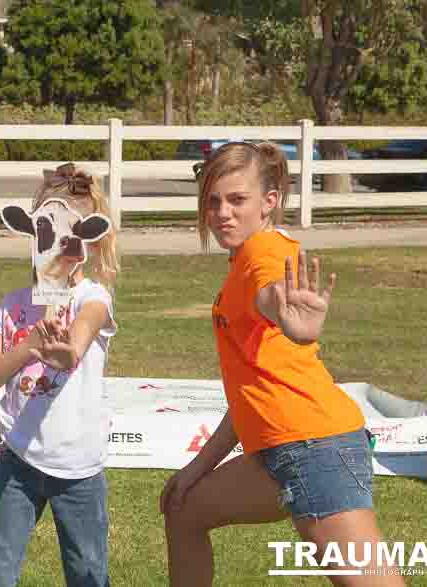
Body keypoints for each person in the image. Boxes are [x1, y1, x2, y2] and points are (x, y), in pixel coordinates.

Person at [160, 142, 403, 586]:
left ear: (269, 202)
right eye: (213, 201)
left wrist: (286, 310)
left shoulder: (263, 253)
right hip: (279, 452)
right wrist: (197, 469)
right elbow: (250, 395)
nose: (222, 213)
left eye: (237, 200)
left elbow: (270, 288)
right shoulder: (241, 262)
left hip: (316, 449)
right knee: (183, 509)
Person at [0, 164, 119, 587]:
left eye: (63, 236)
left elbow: (79, 340)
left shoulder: (93, 297)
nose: (51, 248)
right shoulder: (12, 306)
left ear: (84, 241)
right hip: (17, 462)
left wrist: (66, 347)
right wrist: (28, 346)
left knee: (88, 573)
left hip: (79, 467)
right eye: (42, 234)